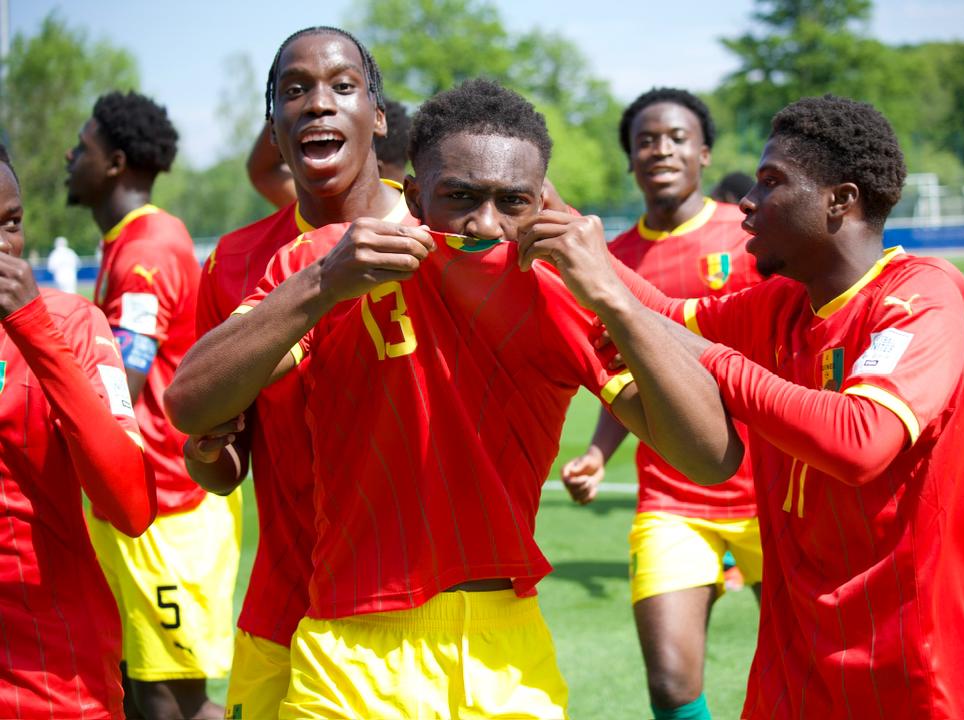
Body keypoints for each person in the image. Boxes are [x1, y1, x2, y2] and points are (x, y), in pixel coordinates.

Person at [166, 78, 739, 719]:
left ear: (542, 204)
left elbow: (711, 457)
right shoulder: (333, 260)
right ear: (413, 194)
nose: (485, 224)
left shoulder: (560, 292)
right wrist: (322, 286)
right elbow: (188, 404)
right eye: (460, 197)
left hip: (506, 646)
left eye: (512, 202)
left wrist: (613, 295)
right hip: (354, 652)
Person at [519, 94, 964, 719]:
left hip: (912, 673)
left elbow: (860, 441)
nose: (747, 200)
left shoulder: (921, 294)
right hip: (796, 668)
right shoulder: (779, 306)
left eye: (772, 182)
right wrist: (560, 219)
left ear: (841, 199)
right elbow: (666, 319)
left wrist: (715, 360)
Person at [186, 26, 408, 720]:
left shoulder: (436, 231)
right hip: (280, 611)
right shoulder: (234, 261)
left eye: (343, 87)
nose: (317, 104)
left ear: (377, 117)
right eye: (294, 91)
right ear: (273, 130)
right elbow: (223, 462)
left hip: (405, 617)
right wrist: (207, 449)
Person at [559, 87, 762, 720]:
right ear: (630, 160)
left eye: (677, 137)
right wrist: (597, 451)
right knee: (671, 686)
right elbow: (627, 375)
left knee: (806, 661)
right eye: (646, 140)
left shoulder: (751, 236)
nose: (661, 149)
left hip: (773, 494)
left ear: (704, 153)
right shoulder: (610, 260)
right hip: (672, 499)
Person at [65, 90, 241, 720]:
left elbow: (120, 389)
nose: (68, 157)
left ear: (114, 162)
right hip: (138, 503)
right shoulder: (128, 240)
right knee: (138, 689)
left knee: (175, 701)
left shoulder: (146, 250)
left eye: (80, 147)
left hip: (167, 507)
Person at [0, 144, 156, 718]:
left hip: (53, 683)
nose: (3, 247)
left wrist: (33, 332)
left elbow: (132, 505)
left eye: (11, 223)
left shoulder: (68, 322)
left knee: (172, 694)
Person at [247, 96, 411, 208]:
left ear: (377, 168)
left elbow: (262, 172)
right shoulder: (424, 211)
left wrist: (293, 99)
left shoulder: (328, 211)